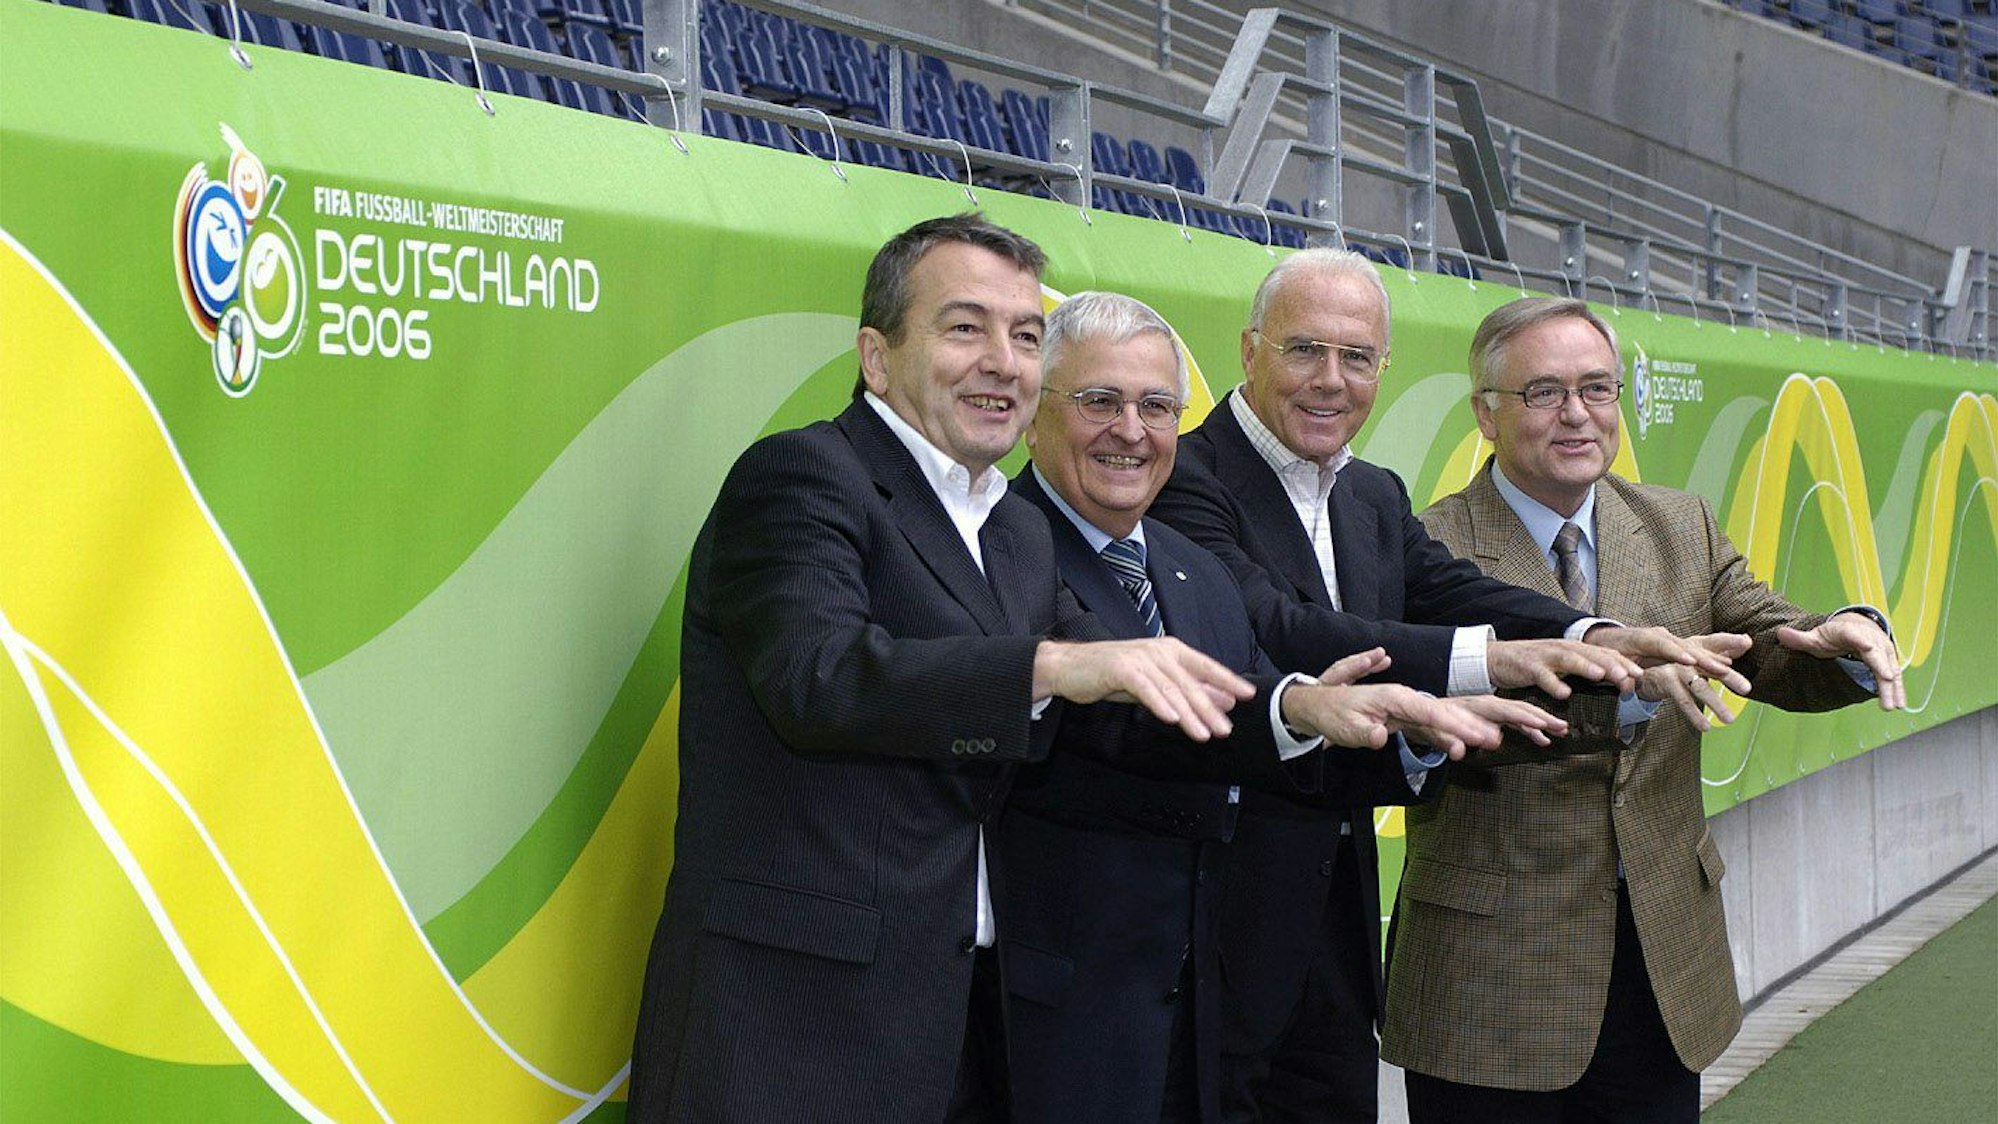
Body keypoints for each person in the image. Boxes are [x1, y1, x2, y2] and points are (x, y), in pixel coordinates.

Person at [624, 215, 1263, 1124]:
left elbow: (1120, 696)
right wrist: (1049, 667)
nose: (1004, 361)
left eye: (1026, 335)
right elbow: (823, 678)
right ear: (877, 357)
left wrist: (1304, 711)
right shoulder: (802, 477)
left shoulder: (1012, 527)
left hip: (956, 1027)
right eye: (966, 328)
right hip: (792, 1027)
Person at [1147, 248, 1740, 1123]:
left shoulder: (1369, 494)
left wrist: (1588, 634)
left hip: (1337, 925)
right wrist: (1494, 662)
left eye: (1358, 358)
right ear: (1249, 350)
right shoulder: (1184, 477)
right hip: (1216, 920)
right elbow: (1282, 628)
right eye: (1306, 349)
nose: (1331, 380)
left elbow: (1454, 593)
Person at [998, 291, 1566, 1124]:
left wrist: (1417, 733)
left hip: (1224, 988)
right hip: (1071, 1013)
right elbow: (1146, 723)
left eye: (1157, 406)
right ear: (1030, 414)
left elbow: (1266, 730)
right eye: (1098, 401)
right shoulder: (1001, 550)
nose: (1132, 430)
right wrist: (1310, 704)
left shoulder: (1189, 567)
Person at [1385, 295, 1903, 1123]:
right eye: (1544, 393)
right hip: (1490, 975)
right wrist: (1620, 688)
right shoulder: (1423, 545)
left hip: (1663, 961)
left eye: (1597, 389)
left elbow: (1766, 643)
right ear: (1486, 413)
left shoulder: (1676, 522)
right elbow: (1434, 720)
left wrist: (1842, 635)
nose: (1577, 415)